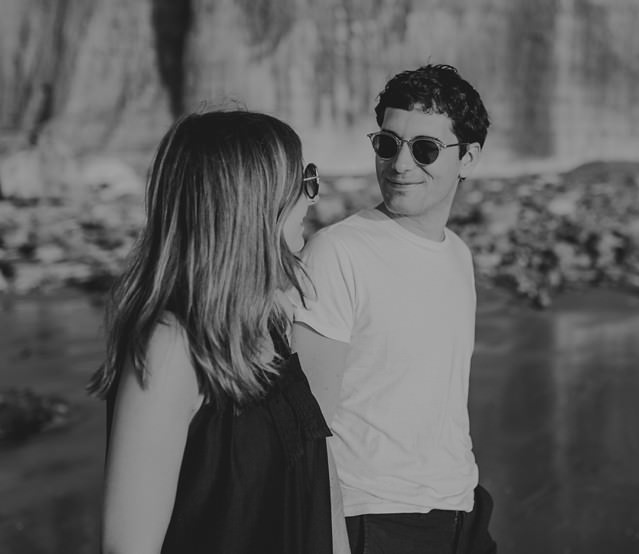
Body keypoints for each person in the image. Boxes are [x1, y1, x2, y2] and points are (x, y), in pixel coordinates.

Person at [88, 106, 349, 553]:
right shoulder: (171, 348)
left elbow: (317, 486)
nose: (312, 198)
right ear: (251, 204)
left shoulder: (271, 324)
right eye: (303, 181)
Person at [293, 64, 498, 553]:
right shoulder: (337, 253)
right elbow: (306, 427)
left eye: (425, 149)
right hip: (374, 519)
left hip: (461, 509)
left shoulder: (457, 254)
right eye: (387, 144)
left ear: (467, 158)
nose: (400, 164)